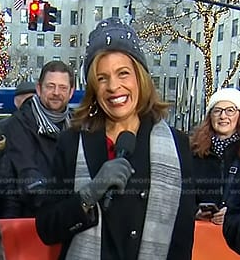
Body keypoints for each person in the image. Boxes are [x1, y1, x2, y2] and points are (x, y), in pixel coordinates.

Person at [35, 17, 196, 260]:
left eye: (123, 73)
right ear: (93, 87)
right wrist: (88, 195)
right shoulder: (72, 142)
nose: (113, 86)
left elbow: (182, 241)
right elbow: (47, 228)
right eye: (102, 78)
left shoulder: (178, 145)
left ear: (140, 78)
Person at [0, 60, 75, 218]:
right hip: (27, 224)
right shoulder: (16, 125)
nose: (56, 92)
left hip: (68, 224)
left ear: (71, 92)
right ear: (39, 89)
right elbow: (27, 180)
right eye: (50, 86)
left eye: (63, 87)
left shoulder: (79, 126)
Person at [190, 88, 240, 225]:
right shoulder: (194, 152)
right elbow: (181, 192)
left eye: (230, 110)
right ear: (210, 117)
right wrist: (195, 212)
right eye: (217, 110)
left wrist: (232, 216)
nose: (223, 116)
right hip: (201, 234)